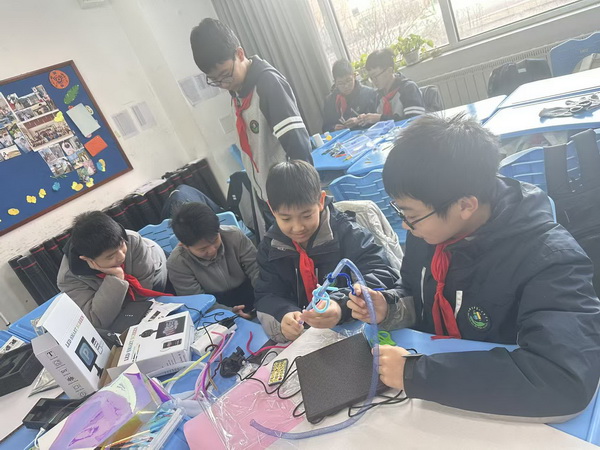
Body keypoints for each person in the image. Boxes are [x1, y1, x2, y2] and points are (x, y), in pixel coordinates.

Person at [348, 114, 600, 419]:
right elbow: (416, 290)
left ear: (465, 205)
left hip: (503, 412)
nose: (405, 225)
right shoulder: (429, 232)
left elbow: (563, 379)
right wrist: (390, 307)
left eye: (410, 214)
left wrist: (418, 373)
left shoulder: (550, 259)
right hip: (439, 397)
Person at [254, 160, 399, 342]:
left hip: (355, 330)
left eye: (307, 215)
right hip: (309, 338)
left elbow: (382, 274)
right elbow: (267, 294)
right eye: (286, 218)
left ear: (321, 201)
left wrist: (340, 304)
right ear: (272, 209)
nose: (298, 227)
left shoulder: (349, 233)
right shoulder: (270, 247)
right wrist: (284, 314)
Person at [190, 18, 313, 225]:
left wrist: (304, 202)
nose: (223, 84)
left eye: (225, 75)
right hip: (267, 195)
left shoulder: (268, 84)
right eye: (215, 80)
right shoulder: (237, 90)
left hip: (290, 199)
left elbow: (298, 145)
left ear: (240, 54)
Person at [57, 211, 168, 328]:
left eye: (122, 246)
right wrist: (116, 278)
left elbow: (143, 294)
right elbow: (96, 320)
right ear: (87, 259)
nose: (121, 257)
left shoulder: (132, 240)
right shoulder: (69, 278)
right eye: (110, 256)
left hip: (157, 273)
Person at [167, 203, 259, 318]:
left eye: (215, 241)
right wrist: (229, 313)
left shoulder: (235, 236)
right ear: (184, 245)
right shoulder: (177, 263)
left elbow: (256, 269)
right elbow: (198, 302)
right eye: (202, 249)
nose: (212, 250)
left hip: (252, 291)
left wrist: (263, 298)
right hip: (214, 307)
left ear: (218, 229)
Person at [356, 48, 425, 127]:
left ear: (389, 71)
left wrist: (380, 118)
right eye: (371, 78)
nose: (374, 81)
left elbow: (415, 121)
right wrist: (366, 119)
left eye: (375, 76)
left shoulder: (408, 88)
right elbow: (376, 122)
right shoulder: (378, 95)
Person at [322, 59, 378, 132]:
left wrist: (359, 120)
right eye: (340, 83)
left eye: (348, 80)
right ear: (335, 83)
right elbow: (325, 127)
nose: (346, 86)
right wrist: (333, 128)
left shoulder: (369, 94)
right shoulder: (330, 100)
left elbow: (378, 120)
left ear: (354, 76)